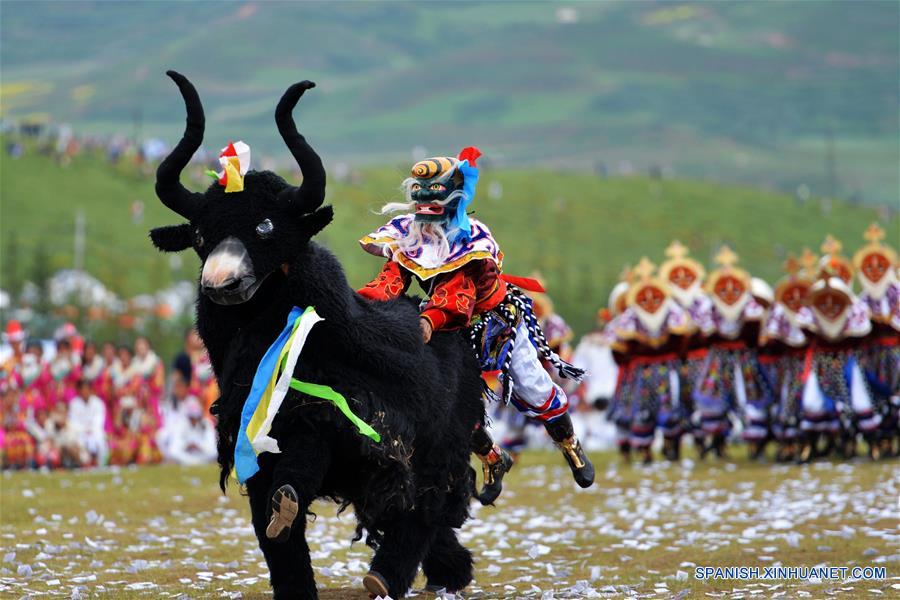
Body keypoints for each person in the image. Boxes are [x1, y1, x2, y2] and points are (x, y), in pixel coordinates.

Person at [358, 148, 593, 503]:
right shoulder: (407, 233)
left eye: (433, 192)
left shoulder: (472, 238)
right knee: (446, 404)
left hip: (491, 323)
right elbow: (391, 279)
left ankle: (570, 444)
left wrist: (426, 322)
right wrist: (359, 305)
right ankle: (493, 457)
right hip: (445, 330)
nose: (424, 199)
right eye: (419, 191)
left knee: (535, 389)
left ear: (454, 195)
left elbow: (456, 295)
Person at [603, 258, 695, 463]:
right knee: (641, 411)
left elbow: (682, 339)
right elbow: (618, 349)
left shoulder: (671, 311)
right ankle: (643, 450)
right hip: (640, 373)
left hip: (667, 369)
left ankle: (672, 446)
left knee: (671, 408)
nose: (651, 303)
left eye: (656, 298)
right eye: (644, 299)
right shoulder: (630, 316)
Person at [692, 246, 770, 459]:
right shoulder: (709, 306)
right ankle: (717, 442)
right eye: (722, 289)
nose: (728, 293)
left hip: (743, 360)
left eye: (734, 288)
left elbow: (753, 332)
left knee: (750, 399)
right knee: (712, 402)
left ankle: (755, 445)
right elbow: (705, 335)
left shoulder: (750, 305)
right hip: (717, 360)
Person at [164, 397, 217, 465]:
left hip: (202, 454)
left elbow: (211, 443)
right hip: (187, 454)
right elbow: (176, 444)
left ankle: (194, 462)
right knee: (173, 451)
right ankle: (195, 462)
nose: (194, 420)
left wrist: (199, 446)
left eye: (196, 417)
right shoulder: (182, 423)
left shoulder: (206, 423)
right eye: (192, 417)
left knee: (215, 451)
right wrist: (187, 445)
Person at [68, 379, 108, 466]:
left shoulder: (98, 403)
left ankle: (101, 465)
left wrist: (91, 430)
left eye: (87, 389)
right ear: (79, 391)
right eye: (82, 389)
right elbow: (73, 422)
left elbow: (99, 420)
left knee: (101, 442)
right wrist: (84, 430)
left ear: (91, 390)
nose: (84, 392)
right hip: (80, 433)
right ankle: (86, 465)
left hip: (95, 431)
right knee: (77, 444)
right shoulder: (74, 404)